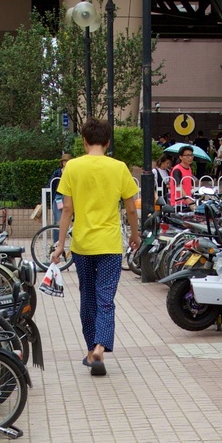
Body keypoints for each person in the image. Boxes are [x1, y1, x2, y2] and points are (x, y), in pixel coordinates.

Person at [51, 119, 140, 377]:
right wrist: (134, 235)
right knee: (106, 299)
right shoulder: (119, 167)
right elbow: (132, 207)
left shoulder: (73, 167)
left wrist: (59, 245)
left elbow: (67, 209)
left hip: (83, 244)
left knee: (87, 297)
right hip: (110, 245)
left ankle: (91, 350)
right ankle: (101, 346)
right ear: (108, 141)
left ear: (84, 141)